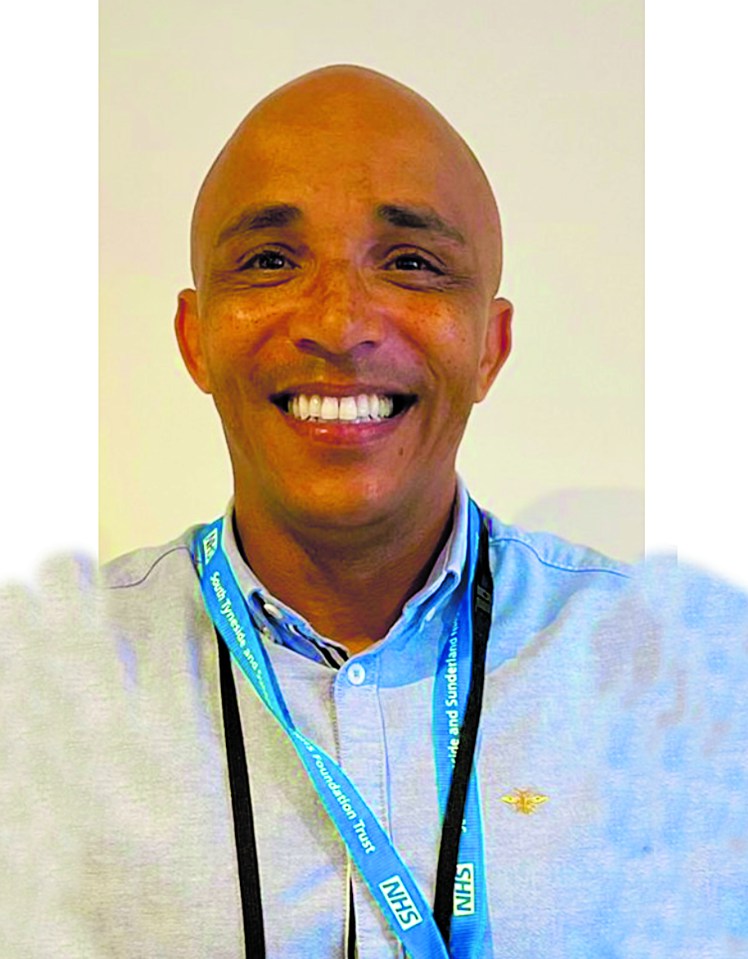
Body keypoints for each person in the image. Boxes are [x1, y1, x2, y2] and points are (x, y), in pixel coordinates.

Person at [2, 65, 746, 959]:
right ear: (195, 338)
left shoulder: (701, 687)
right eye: (270, 261)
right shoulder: (29, 689)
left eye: (410, 263)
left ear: (490, 346)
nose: (339, 323)